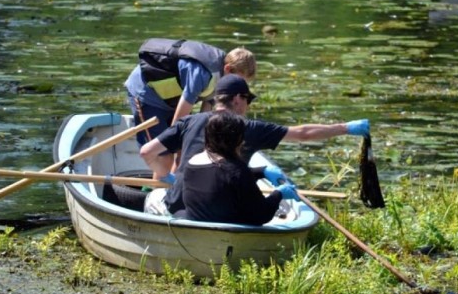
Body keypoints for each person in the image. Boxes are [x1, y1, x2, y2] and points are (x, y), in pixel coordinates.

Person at [140, 74, 370, 215]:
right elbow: (303, 134)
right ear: (238, 99)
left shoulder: (188, 122)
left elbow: (147, 152)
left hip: (182, 203)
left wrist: (166, 177)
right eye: (247, 100)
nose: (247, 106)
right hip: (227, 206)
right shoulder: (248, 128)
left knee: (152, 198)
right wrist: (346, 127)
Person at [124, 38, 256, 179]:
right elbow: (179, 122)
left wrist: (194, 148)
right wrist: (178, 146)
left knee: (185, 154)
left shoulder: (224, 80)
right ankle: (155, 194)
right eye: (239, 80)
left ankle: (172, 189)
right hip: (147, 95)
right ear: (228, 69)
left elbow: (206, 116)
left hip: (172, 99)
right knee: (164, 159)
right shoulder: (202, 73)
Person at [182, 110, 299, 225]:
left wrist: (261, 172)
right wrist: (279, 194)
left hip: (197, 225)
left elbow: (221, 178)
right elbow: (262, 215)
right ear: (237, 139)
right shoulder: (238, 171)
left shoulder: (192, 163)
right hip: (231, 231)